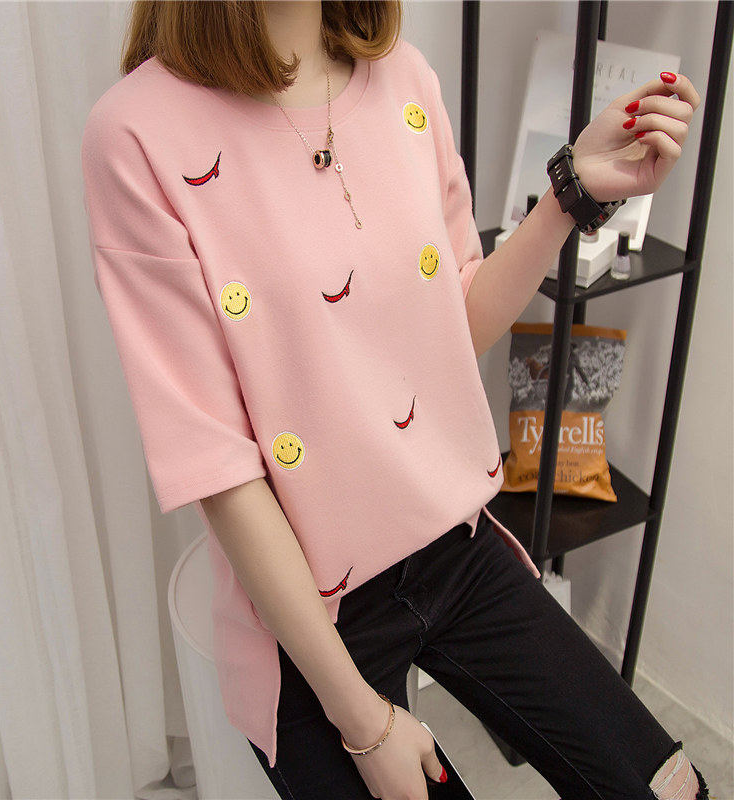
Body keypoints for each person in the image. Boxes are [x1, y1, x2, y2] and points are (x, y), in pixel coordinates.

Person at [81, 2, 706, 798]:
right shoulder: (136, 133)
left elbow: (452, 323)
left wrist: (569, 195)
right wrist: (364, 723)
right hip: (310, 619)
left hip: (454, 543)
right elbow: (218, 467)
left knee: (672, 787)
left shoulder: (403, 78)